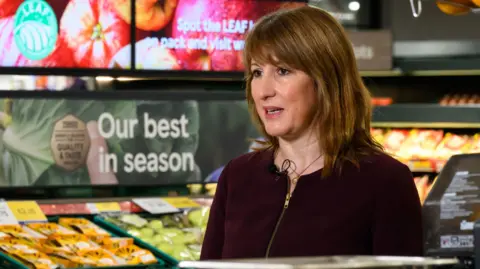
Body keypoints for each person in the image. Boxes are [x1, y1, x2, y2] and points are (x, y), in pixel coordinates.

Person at [200, 5, 423, 260]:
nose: (264, 91)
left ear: (325, 79)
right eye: (257, 73)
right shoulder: (237, 176)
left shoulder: (385, 182)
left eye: (283, 71)